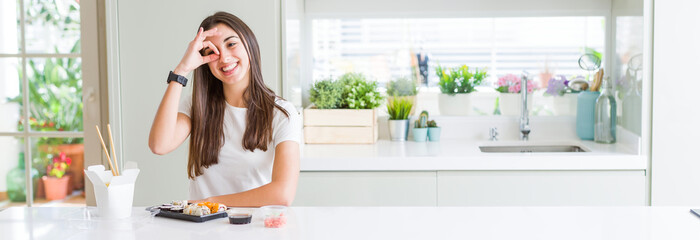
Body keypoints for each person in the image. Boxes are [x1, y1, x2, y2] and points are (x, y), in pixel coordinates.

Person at [148, 11, 301, 207]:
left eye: (231, 44)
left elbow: (283, 194)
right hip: (202, 229)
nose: (224, 58)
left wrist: (211, 203)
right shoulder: (197, 107)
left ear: (249, 45)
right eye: (212, 51)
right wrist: (182, 70)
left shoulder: (282, 114)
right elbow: (159, 145)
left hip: (252, 226)